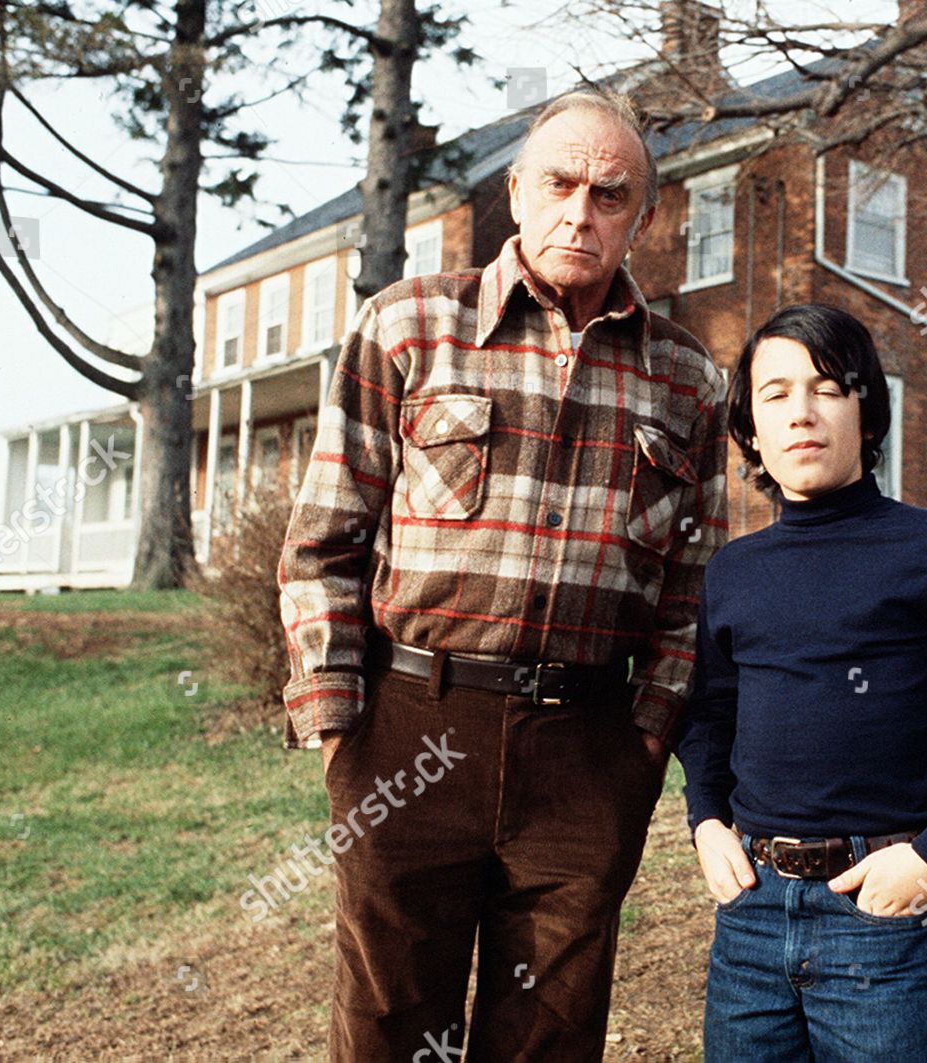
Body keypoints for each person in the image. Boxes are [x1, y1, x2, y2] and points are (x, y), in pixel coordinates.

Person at [277, 86, 728, 1061]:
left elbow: (690, 593)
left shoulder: (690, 379)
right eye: (561, 183)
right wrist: (335, 729)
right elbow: (322, 541)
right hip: (409, 726)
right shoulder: (408, 328)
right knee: (391, 1027)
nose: (581, 211)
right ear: (516, 191)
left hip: (586, 749)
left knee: (549, 1039)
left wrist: (642, 746)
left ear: (642, 218)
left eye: (611, 195)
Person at [674, 303, 927, 1062]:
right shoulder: (733, 570)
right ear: (750, 433)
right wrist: (706, 819)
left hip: (885, 919)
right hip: (750, 918)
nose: (801, 411)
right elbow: (707, 715)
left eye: (828, 387)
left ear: (868, 414)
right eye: (775, 394)